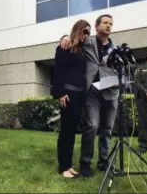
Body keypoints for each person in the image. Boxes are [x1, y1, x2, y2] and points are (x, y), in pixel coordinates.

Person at [60, 14, 119, 177]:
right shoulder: (88, 41)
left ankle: (103, 162)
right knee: (92, 125)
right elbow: (74, 38)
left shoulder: (115, 49)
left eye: (111, 24)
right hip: (92, 91)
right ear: (97, 25)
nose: (108, 26)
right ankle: (85, 163)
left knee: (107, 129)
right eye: (105, 23)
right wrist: (64, 37)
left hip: (110, 91)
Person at [51, 20, 90, 178]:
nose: (86, 35)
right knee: (66, 132)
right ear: (77, 30)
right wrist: (60, 93)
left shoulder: (81, 50)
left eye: (88, 32)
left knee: (72, 131)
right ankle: (63, 168)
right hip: (68, 94)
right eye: (84, 31)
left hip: (79, 95)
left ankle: (68, 165)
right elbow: (58, 70)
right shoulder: (65, 47)